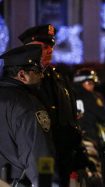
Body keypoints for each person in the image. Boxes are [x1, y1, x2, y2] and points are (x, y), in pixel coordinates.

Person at [18, 24, 92, 187]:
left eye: (51, 45)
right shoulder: (19, 80)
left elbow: (70, 120)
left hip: (63, 160)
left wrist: (79, 155)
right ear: (28, 49)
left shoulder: (58, 78)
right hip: (36, 162)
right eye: (44, 46)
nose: (50, 50)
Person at [0, 44, 54, 186]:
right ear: (22, 75)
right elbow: (40, 154)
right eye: (37, 70)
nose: (42, 75)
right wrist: (47, 183)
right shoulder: (27, 104)